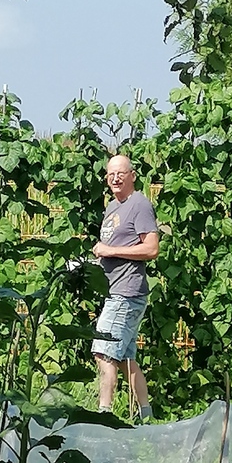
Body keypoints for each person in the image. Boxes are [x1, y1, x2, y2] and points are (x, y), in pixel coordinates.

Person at [91, 154, 159, 420]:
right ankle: (146, 415)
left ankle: (103, 417)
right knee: (125, 359)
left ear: (132, 176)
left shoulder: (139, 205)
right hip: (116, 290)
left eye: (121, 173)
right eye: (110, 175)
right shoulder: (112, 207)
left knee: (103, 353)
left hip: (125, 292)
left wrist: (110, 250)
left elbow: (152, 248)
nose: (115, 178)